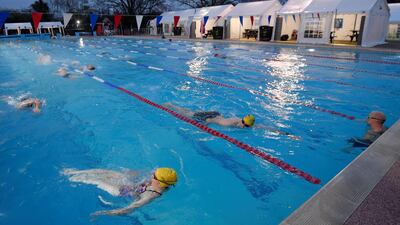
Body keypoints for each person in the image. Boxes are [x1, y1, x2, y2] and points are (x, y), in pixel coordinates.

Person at [62, 167, 177, 216]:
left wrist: (103, 213)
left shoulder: (150, 195)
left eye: (154, 175)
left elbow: (129, 209)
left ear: (158, 182)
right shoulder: (158, 184)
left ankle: (71, 177)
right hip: (129, 185)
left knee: (97, 179)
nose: (152, 174)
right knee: (106, 172)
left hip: (121, 192)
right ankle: (74, 172)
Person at [164, 102, 255, 128]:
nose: (245, 127)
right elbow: (210, 120)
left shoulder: (238, 120)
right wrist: (204, 127)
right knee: (187, 114)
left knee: (190, 112)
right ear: (243, 122)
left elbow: (255, 126)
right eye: (245, 126)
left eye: (247, 126)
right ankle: (170, 105)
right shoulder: (227, 124)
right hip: (209, 118)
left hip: (216, 114)